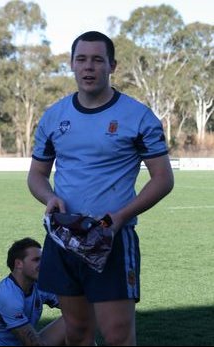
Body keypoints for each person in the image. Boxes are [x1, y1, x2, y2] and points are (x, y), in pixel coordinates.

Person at [27, 31, 174, 346]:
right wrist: (49, 196)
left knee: (117, 336)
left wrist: (120, 216)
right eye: (81, 59)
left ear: (112, 66)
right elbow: (36, 176)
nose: (88, 67)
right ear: (71, 65)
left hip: (111, 236)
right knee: (77, 332)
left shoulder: (138, 117)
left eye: (97, 60)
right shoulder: (53, 116)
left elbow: (163, 178)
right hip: (63, 238)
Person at [0, 237, 65, 346]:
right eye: (36, 260)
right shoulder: (7, 297)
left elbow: (74, 305)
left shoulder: (39, 285)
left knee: (76, 318)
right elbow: (33, 344)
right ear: (18, 264)